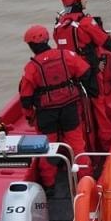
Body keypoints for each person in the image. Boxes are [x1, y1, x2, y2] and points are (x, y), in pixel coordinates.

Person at [18, 24, 92, 190]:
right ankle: (86, 182)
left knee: (47, 149)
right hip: (69, 109)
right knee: (77, 145)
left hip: (46, 114)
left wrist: (30, 116)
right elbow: (86, 72)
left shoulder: (31, 68)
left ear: (31, 46)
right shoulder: (66, 55)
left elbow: (26, 98)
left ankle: (49, 186)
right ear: (47, 39)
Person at [54, 0, 111, 148]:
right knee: (99, 106)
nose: (85, 1)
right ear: (77, 3)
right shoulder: (86, 23)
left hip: (67, 74)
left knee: (78, 111)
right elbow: (108, 43)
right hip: (88, 71)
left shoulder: (59, 25)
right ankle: (107, 144)